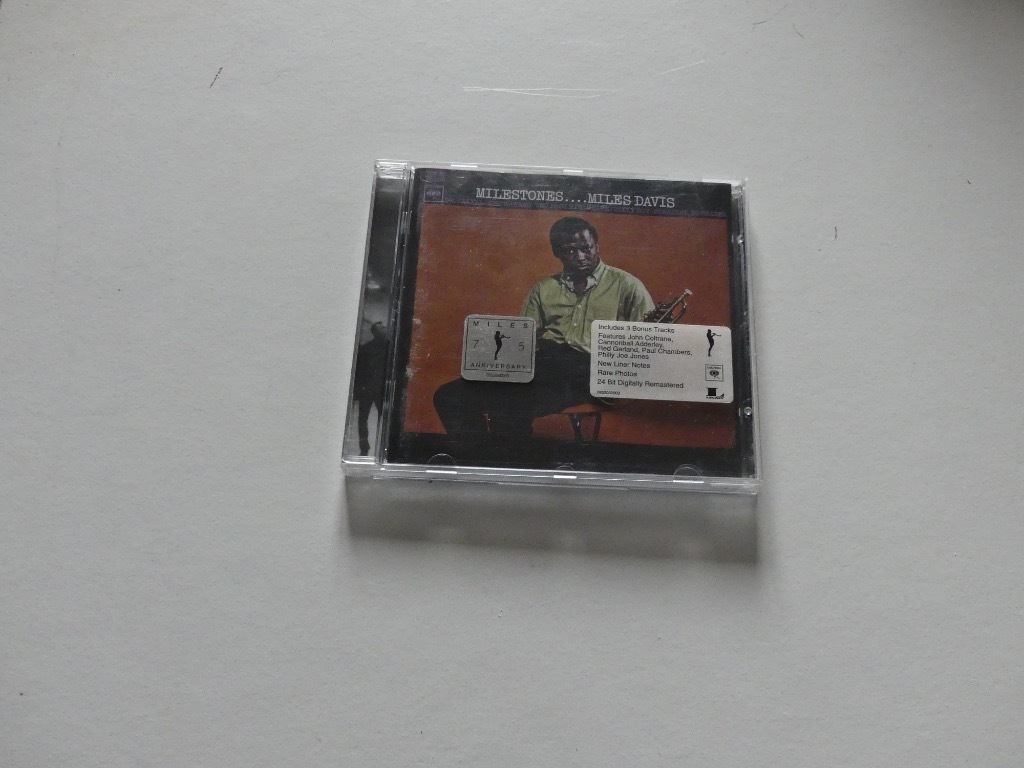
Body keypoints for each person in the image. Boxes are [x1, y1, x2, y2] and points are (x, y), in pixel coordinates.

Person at [433, 216, 654, 445]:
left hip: (590, 372)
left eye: (586, 248)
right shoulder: (543, 289)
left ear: (596, 246)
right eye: (570, 250)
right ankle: (478, 456)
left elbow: (645, 345)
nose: (580, 256)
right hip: (545, 363)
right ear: (557, 252)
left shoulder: (628, 285)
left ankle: (505, 457)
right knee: (449, 396)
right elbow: (523, 342)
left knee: (509, 402)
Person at [354, 321, 388, 454]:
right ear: (375, 332)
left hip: (382, 389)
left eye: (384, 327)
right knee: (363, 418)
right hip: (368, 389)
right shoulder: (366, 349)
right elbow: (359, 371)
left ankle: (386, 445)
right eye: (381, 327)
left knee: (385, 418)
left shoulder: (390, 347)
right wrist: (360, 388)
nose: (384, 328)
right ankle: (364, 447)